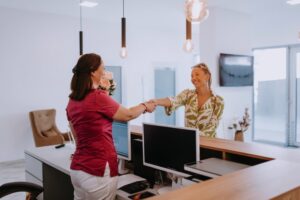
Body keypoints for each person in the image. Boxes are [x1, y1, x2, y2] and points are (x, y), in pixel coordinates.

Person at [66, 53, 156, 200]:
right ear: (93, 71)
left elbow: (77, 137)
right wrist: (145, 106)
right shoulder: (97, 97)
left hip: (78, 171)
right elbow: (127, 115)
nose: (104, 71)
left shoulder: (72, 101)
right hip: (97, 171)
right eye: (103, 68)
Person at [150, 63, 224, 138]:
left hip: (209, 145)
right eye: (192, 76)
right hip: (190, 142)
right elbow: (173, 100)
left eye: (197, 74)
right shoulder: (188, 94)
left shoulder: (218, 101)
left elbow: (211, 128)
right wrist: (156, 101)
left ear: (207, 76)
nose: (193, 78)